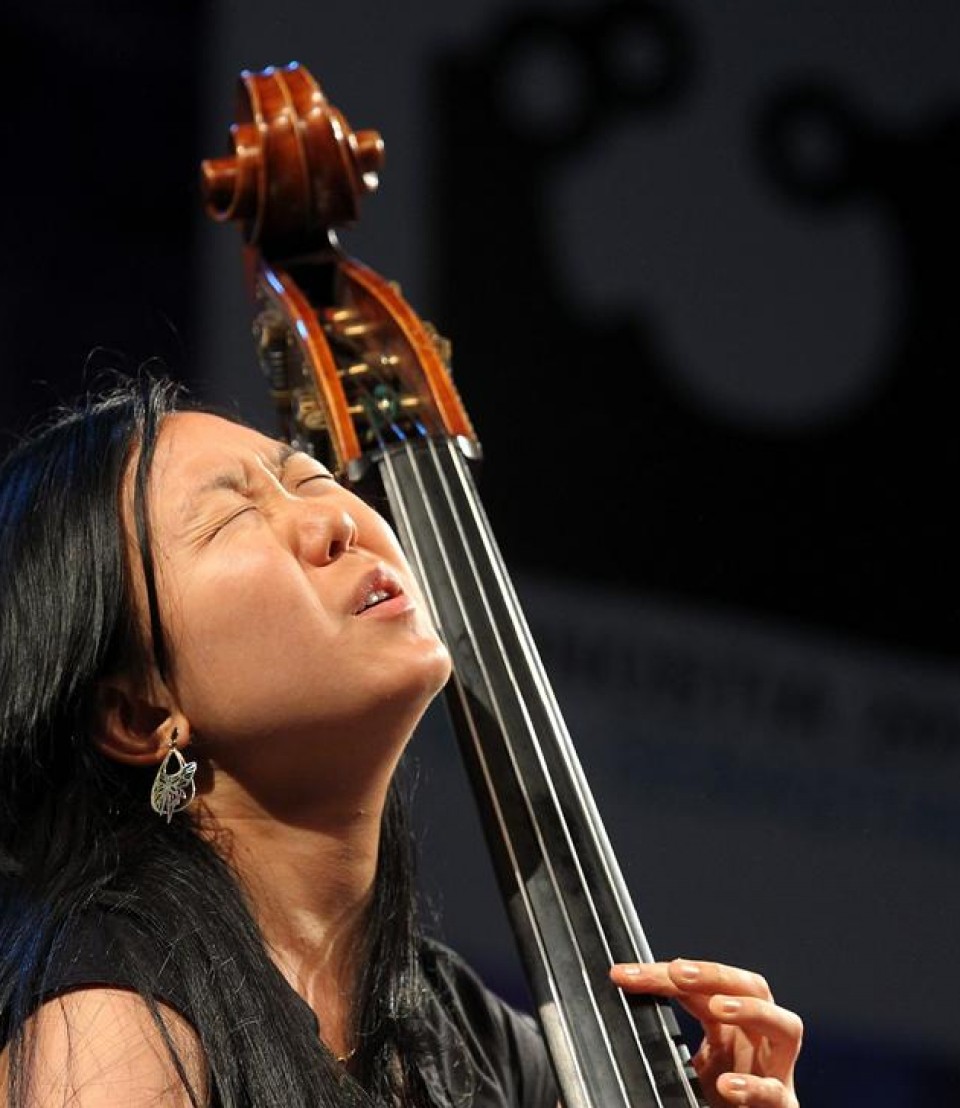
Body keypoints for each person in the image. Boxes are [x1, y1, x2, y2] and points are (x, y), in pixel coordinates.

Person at [0, 371, 802, 1107]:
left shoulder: (472, 1045)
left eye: (311, 476)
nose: (335, 520)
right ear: (141, 717)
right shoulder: (110, 1019)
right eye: (236, 514)